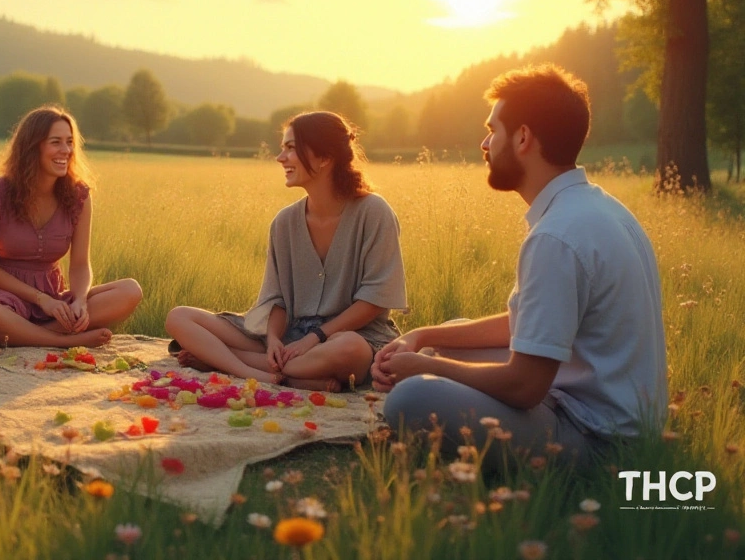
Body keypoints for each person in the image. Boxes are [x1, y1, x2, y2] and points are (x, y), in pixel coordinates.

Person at [376, 64, 667, 463]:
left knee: (411, 396)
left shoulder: (556, 236)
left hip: (599, 439)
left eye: (493, 130)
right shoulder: (597, 208)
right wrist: (424, 337)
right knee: (447, 335)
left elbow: (525, 386)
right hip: (599, 406)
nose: (485, 142)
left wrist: (428, 369)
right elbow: (535, 326)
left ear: (523, 137)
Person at [165, 111, 406, 388]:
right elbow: (277, 299)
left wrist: (314, 337)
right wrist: (274, 341)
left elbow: (375, 298)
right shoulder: (284, 222)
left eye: (291, 148)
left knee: (348, 350)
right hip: (291, 335)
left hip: (353, 337)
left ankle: (224, 361)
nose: (280, 158)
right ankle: (268, 374)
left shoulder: (374, 212)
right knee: (179, 317)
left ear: (325, 158)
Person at [0, 106, 142, 348]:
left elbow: (81, 264)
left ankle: (29, 334)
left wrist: (80, 301)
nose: (66, 150)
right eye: (56, 142)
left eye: (70, 142)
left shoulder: (78, 196)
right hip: (0, 293)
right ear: (33, 147)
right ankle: (59, 340)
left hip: (52, 297)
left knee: (129, 291)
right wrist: (41, 300)